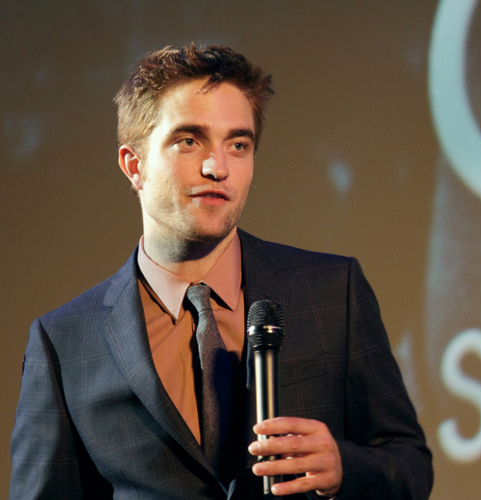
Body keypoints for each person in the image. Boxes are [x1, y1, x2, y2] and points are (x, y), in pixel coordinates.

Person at [10, 43, 433, 499]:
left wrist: (344, 470)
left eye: (238, 145)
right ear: (134, 165)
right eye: (189, 141)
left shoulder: (332, 292)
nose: (218, 167)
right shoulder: (65, 342)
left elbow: (409, 464)